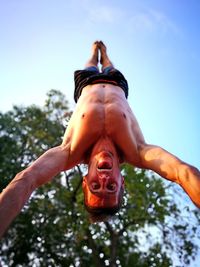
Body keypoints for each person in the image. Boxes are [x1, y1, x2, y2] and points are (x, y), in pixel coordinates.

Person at [0, 41, 200, 237]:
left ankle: (94, 52)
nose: (104, 180)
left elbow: (27, 179)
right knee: (109, 66)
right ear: (122, 182)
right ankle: (104, 54)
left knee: (90, 64)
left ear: (85, 182)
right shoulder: (139, 151)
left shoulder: (69, 151)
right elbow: (182, 172)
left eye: (96, 187)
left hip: (86, 84)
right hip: (117, 85)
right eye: (111, 187)